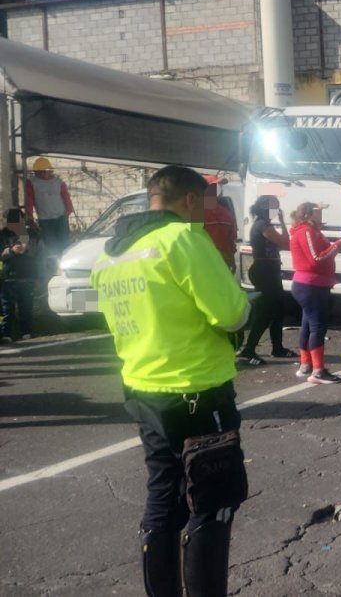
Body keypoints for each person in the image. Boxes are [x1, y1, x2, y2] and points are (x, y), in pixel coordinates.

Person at [90, 165, 250, 597]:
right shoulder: (182, 238)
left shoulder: (112, 255)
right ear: (190, 199)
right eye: (204, 204)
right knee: (213, 500)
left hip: (144, 389)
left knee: (164, 496)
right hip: (198, 390)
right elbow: (232, 314)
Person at [289, 202, 341, 384]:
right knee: (317, 327)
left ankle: (306, 365)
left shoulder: (309, 230)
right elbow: (316, 258)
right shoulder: (306, 231)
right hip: (311, 285)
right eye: (318, 212)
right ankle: (318, 371)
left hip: (310, 284)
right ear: (309, 214)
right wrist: (339, 244)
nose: (321, 215)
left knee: (307, 325)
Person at [237, 195, 295, 366]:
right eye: (274, 207)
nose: (277, 210)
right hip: (264, 271)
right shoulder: (263, 225)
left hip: (271, 270)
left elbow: (285, 242)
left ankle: (278, 347)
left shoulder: (265, 224)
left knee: (278, 310)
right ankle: (249, 349)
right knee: (265, 312)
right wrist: (282, 222)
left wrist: (282, 222)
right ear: (264, 208)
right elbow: (285, 243)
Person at [23, 156, 75, 265]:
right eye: (38, 172)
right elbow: (29, 200)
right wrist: (30, 216)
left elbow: (66, 197)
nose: (40, 174)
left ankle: (66, 263)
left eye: (43, 171)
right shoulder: (31, 183)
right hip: (45, 220)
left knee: (64, 243)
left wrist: (68, 211)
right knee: (51, 245)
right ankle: (54, 266)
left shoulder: (58, 182)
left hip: (61, 217)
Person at [0, 208, 42, 341]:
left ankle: (26, 333)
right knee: (8, 309)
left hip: (28, 277)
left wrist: (39, 277)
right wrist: (11, 251)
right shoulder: (3, 235)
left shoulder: (32, 234)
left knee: (26, 308)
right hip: (9, 278)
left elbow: (39, 256)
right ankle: (6, 334)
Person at [202, 175, 237, 272]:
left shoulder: (225, 213)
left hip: (224, 265)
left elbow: (231, 239)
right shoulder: (195, 212)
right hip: (204, 264)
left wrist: (232, 260)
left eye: (220, 186)